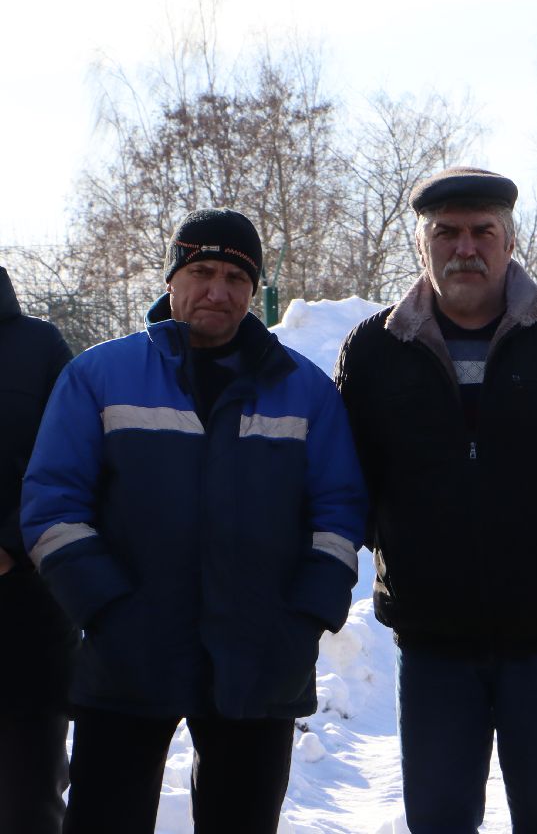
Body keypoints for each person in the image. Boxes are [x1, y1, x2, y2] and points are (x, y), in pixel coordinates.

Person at [335, 167, 537, 834]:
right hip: (433, 643)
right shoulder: (376, 349)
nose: (466, 248)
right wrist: (406, 551)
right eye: (446, 233)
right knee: (438, 818)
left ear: (510, 242)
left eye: (483, 232)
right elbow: (349, 478)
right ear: (422, 245)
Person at [21, 209, 368, 834]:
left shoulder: (305, 391)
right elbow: (53, 504)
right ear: (172, 279)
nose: (219, 289)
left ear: (253, 289)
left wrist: (303, 620)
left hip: (261, 659)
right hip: (128, 655)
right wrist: (106, 611)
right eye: (202, 270)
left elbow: (339, 512)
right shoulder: (100, 377)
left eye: (237, 275)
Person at [0, 266, 73, 834]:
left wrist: (8, 540)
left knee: (27, 802)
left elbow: (69, 461)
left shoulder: (38, 346)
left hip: (23, 612)